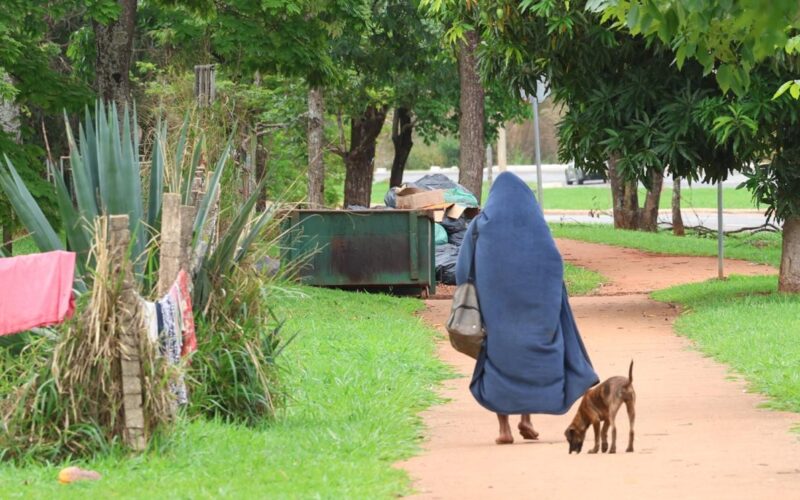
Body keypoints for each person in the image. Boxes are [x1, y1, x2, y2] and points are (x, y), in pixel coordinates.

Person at [455, 172, 599, 444]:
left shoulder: (479, 227)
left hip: (495, 310)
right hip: (535, 308)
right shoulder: (537, 226)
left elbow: (463, 270)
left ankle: (504, 429)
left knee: (500, 359)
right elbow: (554, 264)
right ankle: (526, 419)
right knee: (528, 357)